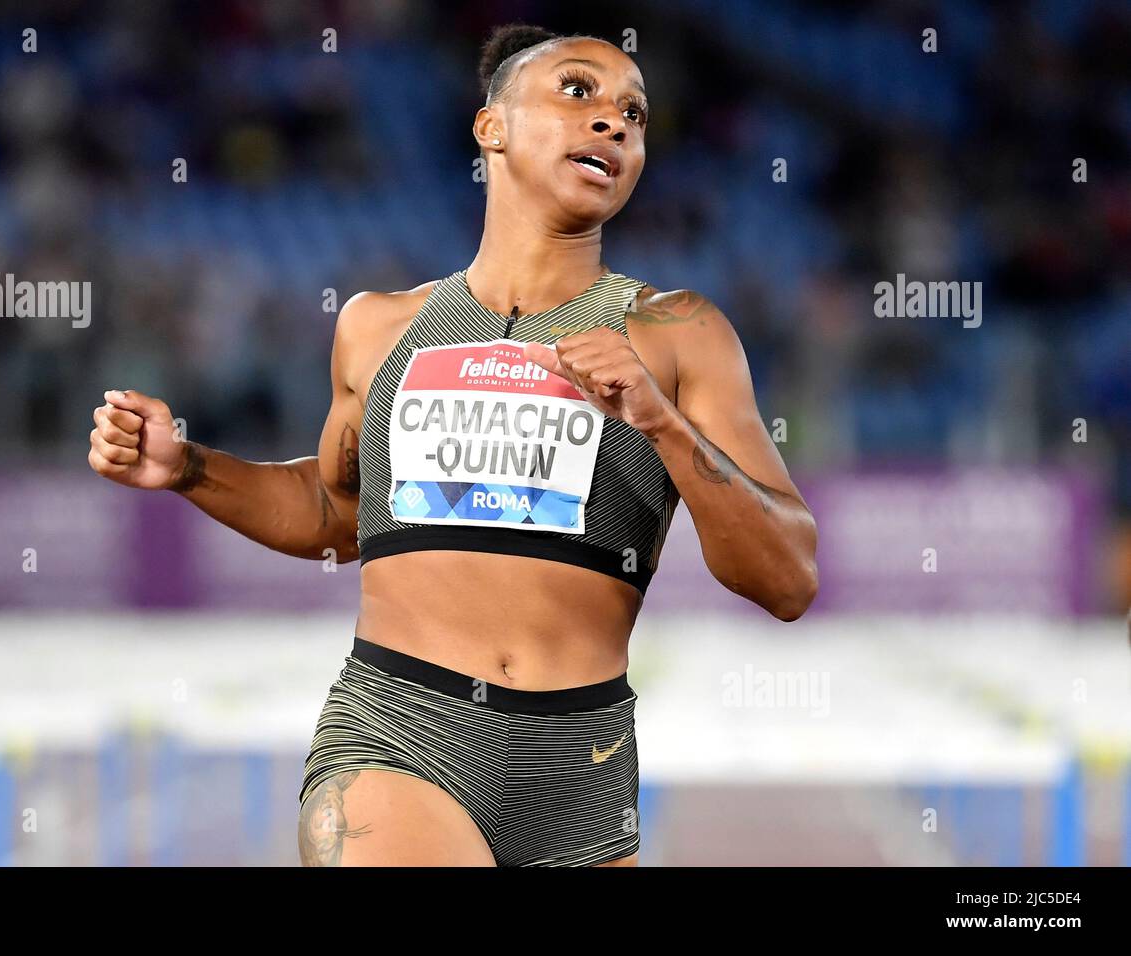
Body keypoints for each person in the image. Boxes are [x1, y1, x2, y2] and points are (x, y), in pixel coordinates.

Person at [87, 23, 818, 867]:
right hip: (400, 733)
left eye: (635, 113)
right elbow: (339, 515)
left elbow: (788, 578)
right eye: (579, 92)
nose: (615, 123)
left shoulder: (680, 334)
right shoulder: (378, 327)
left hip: (584, 766)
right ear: (491, 128)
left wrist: (661, 421)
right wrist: (189, 468)